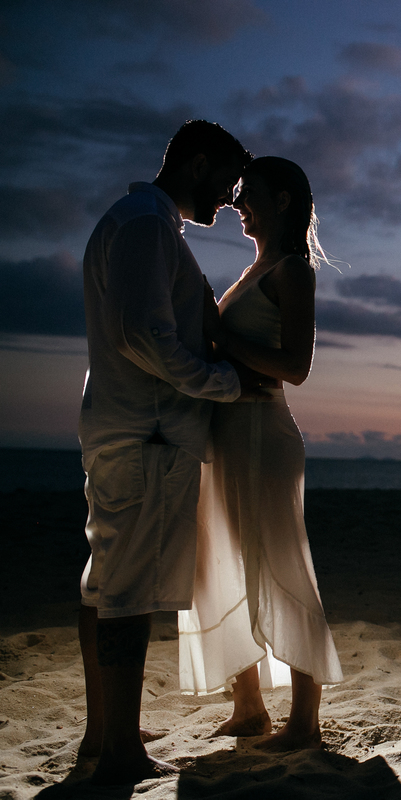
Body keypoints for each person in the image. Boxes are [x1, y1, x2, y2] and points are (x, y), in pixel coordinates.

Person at [77, 119, 253, 784]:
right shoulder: (148, 225)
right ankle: (119, 750)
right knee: (126, 595)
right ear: (197, 164)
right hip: (149, 436)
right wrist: (223, 383)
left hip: (127, 430)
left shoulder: (136, 221)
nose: (231, 198)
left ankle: (104, 732)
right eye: (227, 181)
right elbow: (142, 335)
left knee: (105, 585)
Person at [178, 156, 343, 752]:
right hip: (225, 434)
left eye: (248, 193)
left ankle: (304, 722)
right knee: (218, 562)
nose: (236, 203)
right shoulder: (255, 269)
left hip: (261, 434)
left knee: (279, 564)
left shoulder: (292, 270)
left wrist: (221, 335)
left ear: (283, 201)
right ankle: (248, 708)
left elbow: (296, 366)